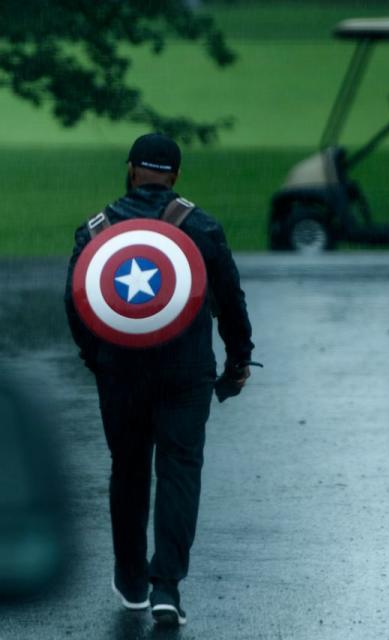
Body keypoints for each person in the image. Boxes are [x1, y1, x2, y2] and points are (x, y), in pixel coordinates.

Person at [64, 133, 254, 626]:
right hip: (186, 374)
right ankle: (166, 587)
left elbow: (76, 304)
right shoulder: (202, 226)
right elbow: (231, 300)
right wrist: (239, 360)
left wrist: (97, 359)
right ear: (175, 176)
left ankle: (130, 579)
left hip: (120, 371)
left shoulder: (95, 232)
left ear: (130, 169)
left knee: (127, 469)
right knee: (180, 470)